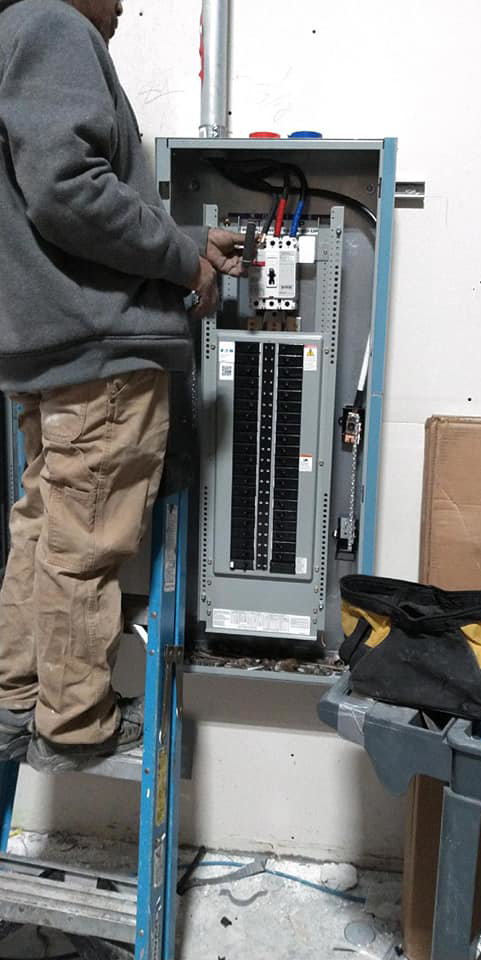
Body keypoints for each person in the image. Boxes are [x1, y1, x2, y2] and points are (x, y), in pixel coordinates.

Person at [0, 0, 242, 772]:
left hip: (53, 346)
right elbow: (66, 189)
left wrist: (188, 242)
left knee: (41, 531)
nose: (126, 7)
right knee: (84, 547)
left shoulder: (12, 32)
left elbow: (51, 199)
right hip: (100, 350)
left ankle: (14, 701)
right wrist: (179, 261)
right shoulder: (51, 24)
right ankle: (74, 728)